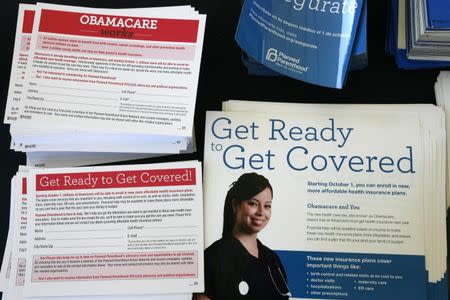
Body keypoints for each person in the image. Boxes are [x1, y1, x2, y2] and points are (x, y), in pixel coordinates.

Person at [194, 172, 290, 300]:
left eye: (267, 206)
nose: (261, 212)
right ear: (235, 205)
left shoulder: (272, 260)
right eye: (253, 204)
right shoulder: (213, 258)